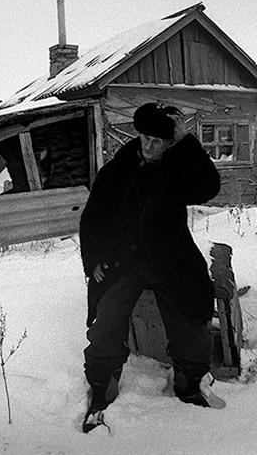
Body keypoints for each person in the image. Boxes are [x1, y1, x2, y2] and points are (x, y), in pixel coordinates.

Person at [78, 102, 222, 433]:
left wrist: (186, 142)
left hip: (170, 260)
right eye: (144, 137)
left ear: (169, 142)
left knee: (190, 322)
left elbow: (208, 187)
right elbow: (94, 216)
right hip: (124, 262)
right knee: (106, 322)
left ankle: (190, 382)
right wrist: (95, 259)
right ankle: (102, 388)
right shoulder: (117, 170)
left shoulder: (176, 168)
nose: (149, 145)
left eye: (157, 140)